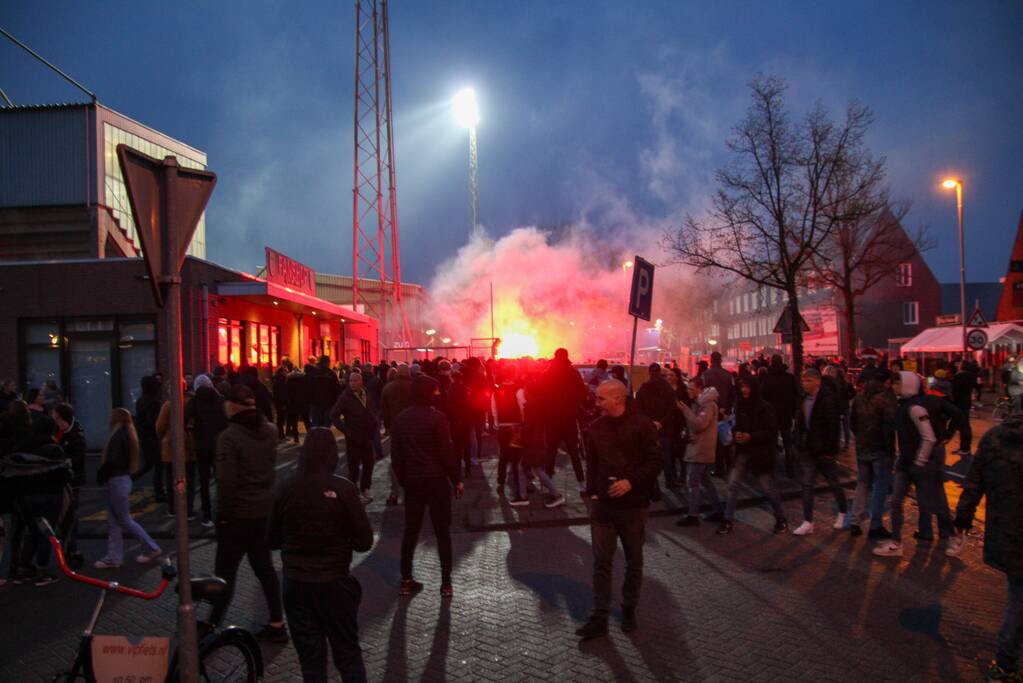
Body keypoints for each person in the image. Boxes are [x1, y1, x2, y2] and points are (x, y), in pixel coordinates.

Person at [268, 428, 374, 682]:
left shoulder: (285, 488)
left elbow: (272, 540)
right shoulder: (344, 488)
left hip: (297, 584)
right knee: (348, 655)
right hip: (335, 581)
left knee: (311, 662)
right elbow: (364, 541)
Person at [575, 380, 661, 639]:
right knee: (601, 562)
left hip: (633, 507)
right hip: (603, 506)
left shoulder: (642, 425)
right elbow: (592, 463)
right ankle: (600, 615)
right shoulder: (595, 428)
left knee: (634, 560)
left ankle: (628, 609)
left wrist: (630, 482)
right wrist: (592, 492)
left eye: (601, 398)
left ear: (618, 399)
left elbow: (656, 460)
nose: (596, 403)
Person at [212, 385, 288, 643]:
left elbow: (226, 482)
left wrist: (222, 515)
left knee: (225, 572)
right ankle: (277, 621)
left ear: (233, 406)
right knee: (265, 568)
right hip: (263, 511)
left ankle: (212, 624)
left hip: (237, 515)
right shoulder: (270, 431)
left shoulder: (229, 437)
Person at [954, 412, 1023, 680]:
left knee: (1016, 596)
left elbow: (974, 481)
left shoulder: (995, 437)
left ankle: (1005, 664)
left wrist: (963, 516)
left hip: (1005, 530)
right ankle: (1005, 665)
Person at [874, 372, 963, 559]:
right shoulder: (905, 406)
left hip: (916, 464)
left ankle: (954, 536)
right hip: (907, 462)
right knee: (897, 501)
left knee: (930, 502)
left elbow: (928, 437)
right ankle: (896, 542)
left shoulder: (914, 408)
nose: (894, 387)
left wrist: (919, 461)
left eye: (898, 383)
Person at [390, 376, 464, 597]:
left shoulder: (401, 419)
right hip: (436, 480)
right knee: (442, 532)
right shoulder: (437, 418)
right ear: (429, 393)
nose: (439, 394)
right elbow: (446, 452)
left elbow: (396, 456)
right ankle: (446, 583)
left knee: (410, 531)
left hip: (413, 481)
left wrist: (405, 481)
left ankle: (405, 579)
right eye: (436, 391)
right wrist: (456, 479)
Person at [717, 376, 787, 534]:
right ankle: (727, 520)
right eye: (742, 387)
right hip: (743, 451)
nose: (744, 390)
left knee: (768, 488)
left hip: (760, 453)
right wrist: (736, 434)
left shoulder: (765, 407)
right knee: (733, 485)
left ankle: (781, 518)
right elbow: (737, 424)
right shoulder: (740, 405)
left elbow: (771, 431)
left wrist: (751, 436)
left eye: (747, 387)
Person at [94, 409, 163, 569]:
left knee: (122, 520)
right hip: (122, 479)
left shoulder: (117, 437)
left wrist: (101, 475)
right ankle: (114, 557)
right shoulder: (129, 435)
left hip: (116, 480)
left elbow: (112, 461)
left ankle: (150, 548)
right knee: (115, 521)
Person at [792, 369, 848, 536]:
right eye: (804, 380)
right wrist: (799, 440)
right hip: (809, 448)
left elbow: (833, 426)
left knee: (833, 482)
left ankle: (843, 512)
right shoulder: (804, 399)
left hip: (823, 450)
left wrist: (830, 450)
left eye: (808, 380)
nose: (805, 383)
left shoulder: (827, 399)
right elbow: (801, 422)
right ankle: (808, 521)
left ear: (817, 381)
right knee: (807, 484)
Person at [849, 370, 897, 539]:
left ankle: (855, 521)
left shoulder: (860, 397)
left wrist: (861, 438)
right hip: (880, 448)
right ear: (887, 382)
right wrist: (891, 451)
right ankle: (875, 524)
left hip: (862, 447)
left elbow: (852, 422)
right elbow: (889, 426)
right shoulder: (886, 398)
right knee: (880, 486)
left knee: (862, 483)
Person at [675, 377, 724, 527]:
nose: (688, 391)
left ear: (699, 389)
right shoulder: (700, 403)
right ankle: (718, 510)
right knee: (705, 481)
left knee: (693, 483)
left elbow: (699, 425)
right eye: (688, 388)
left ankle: (693, 515)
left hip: (700, 449)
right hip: (698, 447)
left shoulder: (708, 405)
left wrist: (685, 410)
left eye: (691, 388)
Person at [541, 348, 588, 488]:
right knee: (574, 452)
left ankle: (548, 484)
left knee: (550, 452)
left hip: (552, 418)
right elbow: (582, 395)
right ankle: (581, 483)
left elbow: (540, 395)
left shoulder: (547, 374)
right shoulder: (574, 374)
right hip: (569, 418)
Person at [185, 374, 227, 528]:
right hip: (219, 444)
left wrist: (191, 430)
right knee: (221, 479)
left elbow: (184, 418)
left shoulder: (194, 401)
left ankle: (206, 514)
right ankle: (222, 512)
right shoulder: (221, 400)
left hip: (201, 444)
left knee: (203, 481)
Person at [331, 372, 379, 504]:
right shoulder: (345, 397)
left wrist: (374, 423)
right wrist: (346, 430)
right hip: (353, 438)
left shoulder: (366, 393)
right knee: (354, 467)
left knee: (369, 464)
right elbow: (334, 415)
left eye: (355, 381)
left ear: (361, 382)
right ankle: (353, 493)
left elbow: (372, 408)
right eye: (350, 381)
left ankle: (365, 488)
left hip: (367, 435)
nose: (352, 383)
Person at [636, 363, 682, 489]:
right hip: (665, 429)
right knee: (666, 457)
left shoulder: (643, 388)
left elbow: (639, 409)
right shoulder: (667, 388)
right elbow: (672, 409)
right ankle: (670, 481)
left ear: (649, 373)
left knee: (649, 457)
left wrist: (650, 422)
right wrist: (661, 422)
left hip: (649, 429)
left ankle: (652, 483)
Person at [54, 403, 86, 563]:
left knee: (71, 514)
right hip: (63, 479)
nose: (54, 420)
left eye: (56, 417)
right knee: (65, 515)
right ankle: (67, 547)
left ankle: (71, 548)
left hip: (72, 480)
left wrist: (62, 462)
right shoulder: (60, 432)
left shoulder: (74, 436)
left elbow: (77, 459)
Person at [759, 354, 800, 478]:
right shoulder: (790, 378)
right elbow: (796, 396)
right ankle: (790, 469)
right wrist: (793, 412)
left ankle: (772, 470)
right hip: (786, 414)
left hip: (772, 416)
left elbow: (762, 397)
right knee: (788, 443)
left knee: (772, 444)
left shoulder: (767, 379)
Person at [380, 364, 414, 506]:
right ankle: (410, 492)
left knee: (396, 461)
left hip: (395, 428)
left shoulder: (388, 388)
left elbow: (384, 411)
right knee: (411, 459)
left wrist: (388, 427)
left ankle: (394, 492)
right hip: (412, 428)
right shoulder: (414, 387)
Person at [133, 375, 165, 501]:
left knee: (149, 464)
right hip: (151, 436)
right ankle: (159, 492)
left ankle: (130, 479)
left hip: (143, 435)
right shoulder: (154, 402)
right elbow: (152, 422)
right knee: (158, 465)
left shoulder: (141, 400)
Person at [951, 361, 977, 456]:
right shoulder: (972, 376)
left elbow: (954, 391)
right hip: (966, 402)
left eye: (959, 365)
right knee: (964, 425)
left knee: (963, 426)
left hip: (959, 403)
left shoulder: (959, 376)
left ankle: (965, 448)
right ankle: (965, 447)